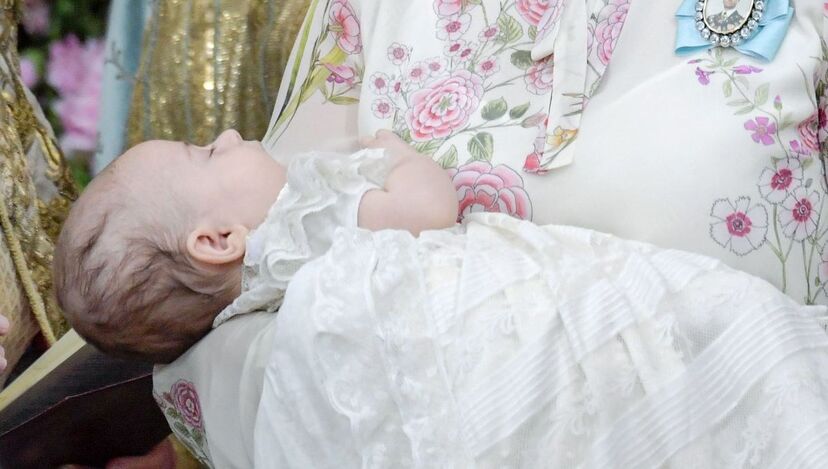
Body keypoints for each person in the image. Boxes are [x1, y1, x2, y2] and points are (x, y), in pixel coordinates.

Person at [56, 128, 828, 467]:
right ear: (218, 240)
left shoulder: (228, 341)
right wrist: (400, 158)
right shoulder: (301, 234)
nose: (226, 134)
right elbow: (429, 209)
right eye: (206, 152)